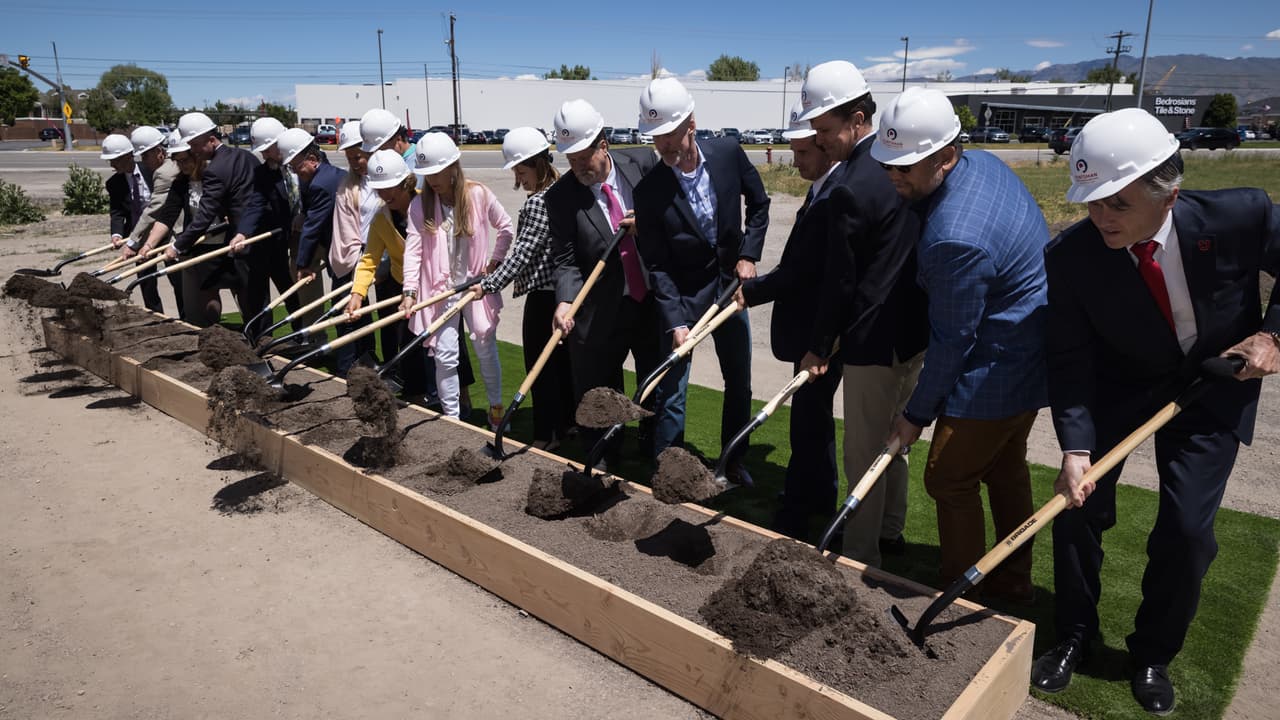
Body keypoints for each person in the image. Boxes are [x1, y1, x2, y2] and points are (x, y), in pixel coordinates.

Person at [1032, 107, 1280, 715]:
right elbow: (1069, 360)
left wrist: (1273, 336)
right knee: (1076, 510)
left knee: (1188, 533)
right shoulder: (1071, 258)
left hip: (1214, 384)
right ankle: (1074, 635)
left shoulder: (1242, 214)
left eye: (1115, 203)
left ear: (1168, 192)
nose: (1100, 217)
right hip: (1120, 386)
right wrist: (1075, 448)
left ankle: (1152, 653)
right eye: (1091, 202)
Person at [871, 88, 1049, 602]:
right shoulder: (982, 165)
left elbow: (953, 341)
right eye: (889, 165)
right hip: (1030, 343)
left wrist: (915, 415)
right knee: (1005, 470)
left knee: (948, 477)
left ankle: (959, 592)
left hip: (1001, 361)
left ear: (947, 156)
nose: (893, 177)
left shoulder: (955, 237)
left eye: (906, 167)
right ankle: (1014, 585)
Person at [792, 60, 928, 562]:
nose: (819, 140)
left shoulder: (852, 183)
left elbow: (842, 279)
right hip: (915, 333)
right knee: (898, 440)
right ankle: (891, 530)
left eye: (824, 130)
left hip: (874, 339)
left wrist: (819, 345)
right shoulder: (902, 164)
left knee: (865, 451)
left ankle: (858, 553)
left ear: (857, 118)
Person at [632, 78, 768, 482]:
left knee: (738, 382)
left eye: (670, 134)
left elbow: (759, 204)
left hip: (730, 291)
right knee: (671, 391)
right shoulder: (650, 191)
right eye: (656, 138)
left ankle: (732, 461)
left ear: (691, 122)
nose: (664, 146)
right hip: (684, 299)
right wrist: (675, 321)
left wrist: (748, 254)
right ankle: (667, 470)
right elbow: (656, 264)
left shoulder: (726, 154)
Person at [738, 101, 840, 541]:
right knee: (814, 418)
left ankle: (798, 509)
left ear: (824, 147)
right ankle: (820, 496)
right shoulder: (821, 188)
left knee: (807, 420)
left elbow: (804, 271)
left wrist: (752, 291)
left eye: (802, 153)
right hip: (814, 330)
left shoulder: (835, 194)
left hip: (821, 332)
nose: (795, 161)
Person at [545, 99, 660, 465]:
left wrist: (648, 225)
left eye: (583, 157)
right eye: (570, 159)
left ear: (603, 145)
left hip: (651, 301)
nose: (577, 167)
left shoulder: (643, 163)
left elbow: (670, 218)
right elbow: (564, 260)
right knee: (600, 390)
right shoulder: (560, 198)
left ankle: (653, 451)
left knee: (656, 384)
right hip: (600, 310)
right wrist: (565, 301)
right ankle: (604, 462)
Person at [398, 132, 512, 424]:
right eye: (427, 174)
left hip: (475, 288)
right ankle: (453, 419)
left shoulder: (478, 194)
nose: (432, 180)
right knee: (445, 355)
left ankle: (497, 410)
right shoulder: (419, 205)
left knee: (485, 349)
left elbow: (506, 227)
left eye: (437, 172)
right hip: (441, 292)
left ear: (453, 167)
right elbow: (413, 251)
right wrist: (409, 291)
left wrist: (494, 263)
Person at [478, 127, 575, 449]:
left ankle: (546, 435)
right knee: (561, 366)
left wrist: (488, 285)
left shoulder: (538, 203)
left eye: (522, 170)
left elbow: (522, 254)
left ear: (539, 165)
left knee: (540, 366)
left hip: (545, 297)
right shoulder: (564, 191)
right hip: (567, 295)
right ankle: (565, 427)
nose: (520, 179)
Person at [162, 112, 262, 328]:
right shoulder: (244, 156)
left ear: (211, 139)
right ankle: (259, 336)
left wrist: (177, 246)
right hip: (255, 233)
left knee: (247, 292)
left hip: (241, 238)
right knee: (253, 293)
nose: (195, 151)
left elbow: (204, 216)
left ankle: (256, 339)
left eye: (196, 146)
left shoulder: (215, 169)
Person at [351, 149, 430, 399]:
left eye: (390, 188)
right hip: (402, 285)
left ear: (404, 183)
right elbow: (370, 259)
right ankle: (415, 395)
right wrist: (357, 292)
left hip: (433, 284)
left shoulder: (428, 206)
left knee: (444, 345)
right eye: (379, 189)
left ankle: (458, 397)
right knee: (407, 343)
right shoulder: (381, 218)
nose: (384, 195)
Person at [275, 127, 351, 371]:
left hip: (345, 249)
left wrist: (303, 264)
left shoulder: (320, 183)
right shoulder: (326, 174)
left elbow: (312, 229)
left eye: (297, 166)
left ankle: (349, 361)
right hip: (339, 244)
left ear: (312, 159)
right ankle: (352, 357)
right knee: (343, 301)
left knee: (344, 303)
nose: (295, 172)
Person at [240, 116, 311, 330]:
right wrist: (243, 233)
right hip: (278, 238)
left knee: (303, 286)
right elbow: (255, 204)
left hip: (309, 234)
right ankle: (266, 333)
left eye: (267, 149)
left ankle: (306, 331)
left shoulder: (311, 160)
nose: (264, 155)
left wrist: (305, 213)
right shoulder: (263, 173)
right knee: (282, 282)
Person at [330, 121, 380, 368]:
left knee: (375, 312)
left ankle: (369, 356)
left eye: (358, 157)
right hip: (353, 256)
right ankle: (347, 364)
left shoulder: (385, 179)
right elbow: (345, 229)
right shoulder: (347, 186)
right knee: (347, 311)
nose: (355, 163)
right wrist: (355, 259)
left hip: (382, 256)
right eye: (350, 158)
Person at [119, 126, 183, 317]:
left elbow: (154, 209)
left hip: (175, 233)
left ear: (159, 152)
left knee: (179, 280)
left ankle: (188, 319)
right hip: (165, 231)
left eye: (145, 156)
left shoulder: (164, 172)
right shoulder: (168, 167)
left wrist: (133, 241)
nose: (143, 162)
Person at [103, 134, 151, 304]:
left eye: (115, 160)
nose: (111, 164)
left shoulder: (151, 170)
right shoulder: (114, 183)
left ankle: (184, 317)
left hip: (164, 228)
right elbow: (117, 212)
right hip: (138, 234)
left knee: (176, 277)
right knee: (146, 280)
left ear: (129, 156)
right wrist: (116, 234)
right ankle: (155, 315)